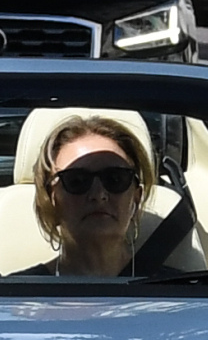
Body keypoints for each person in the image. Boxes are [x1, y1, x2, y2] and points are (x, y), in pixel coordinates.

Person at [27, 116, 191, 278]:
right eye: (76, 181)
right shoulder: (14, 297)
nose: (98, 195)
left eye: (115, 179)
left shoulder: (185, 295)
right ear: (50, 198)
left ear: (136, 197)